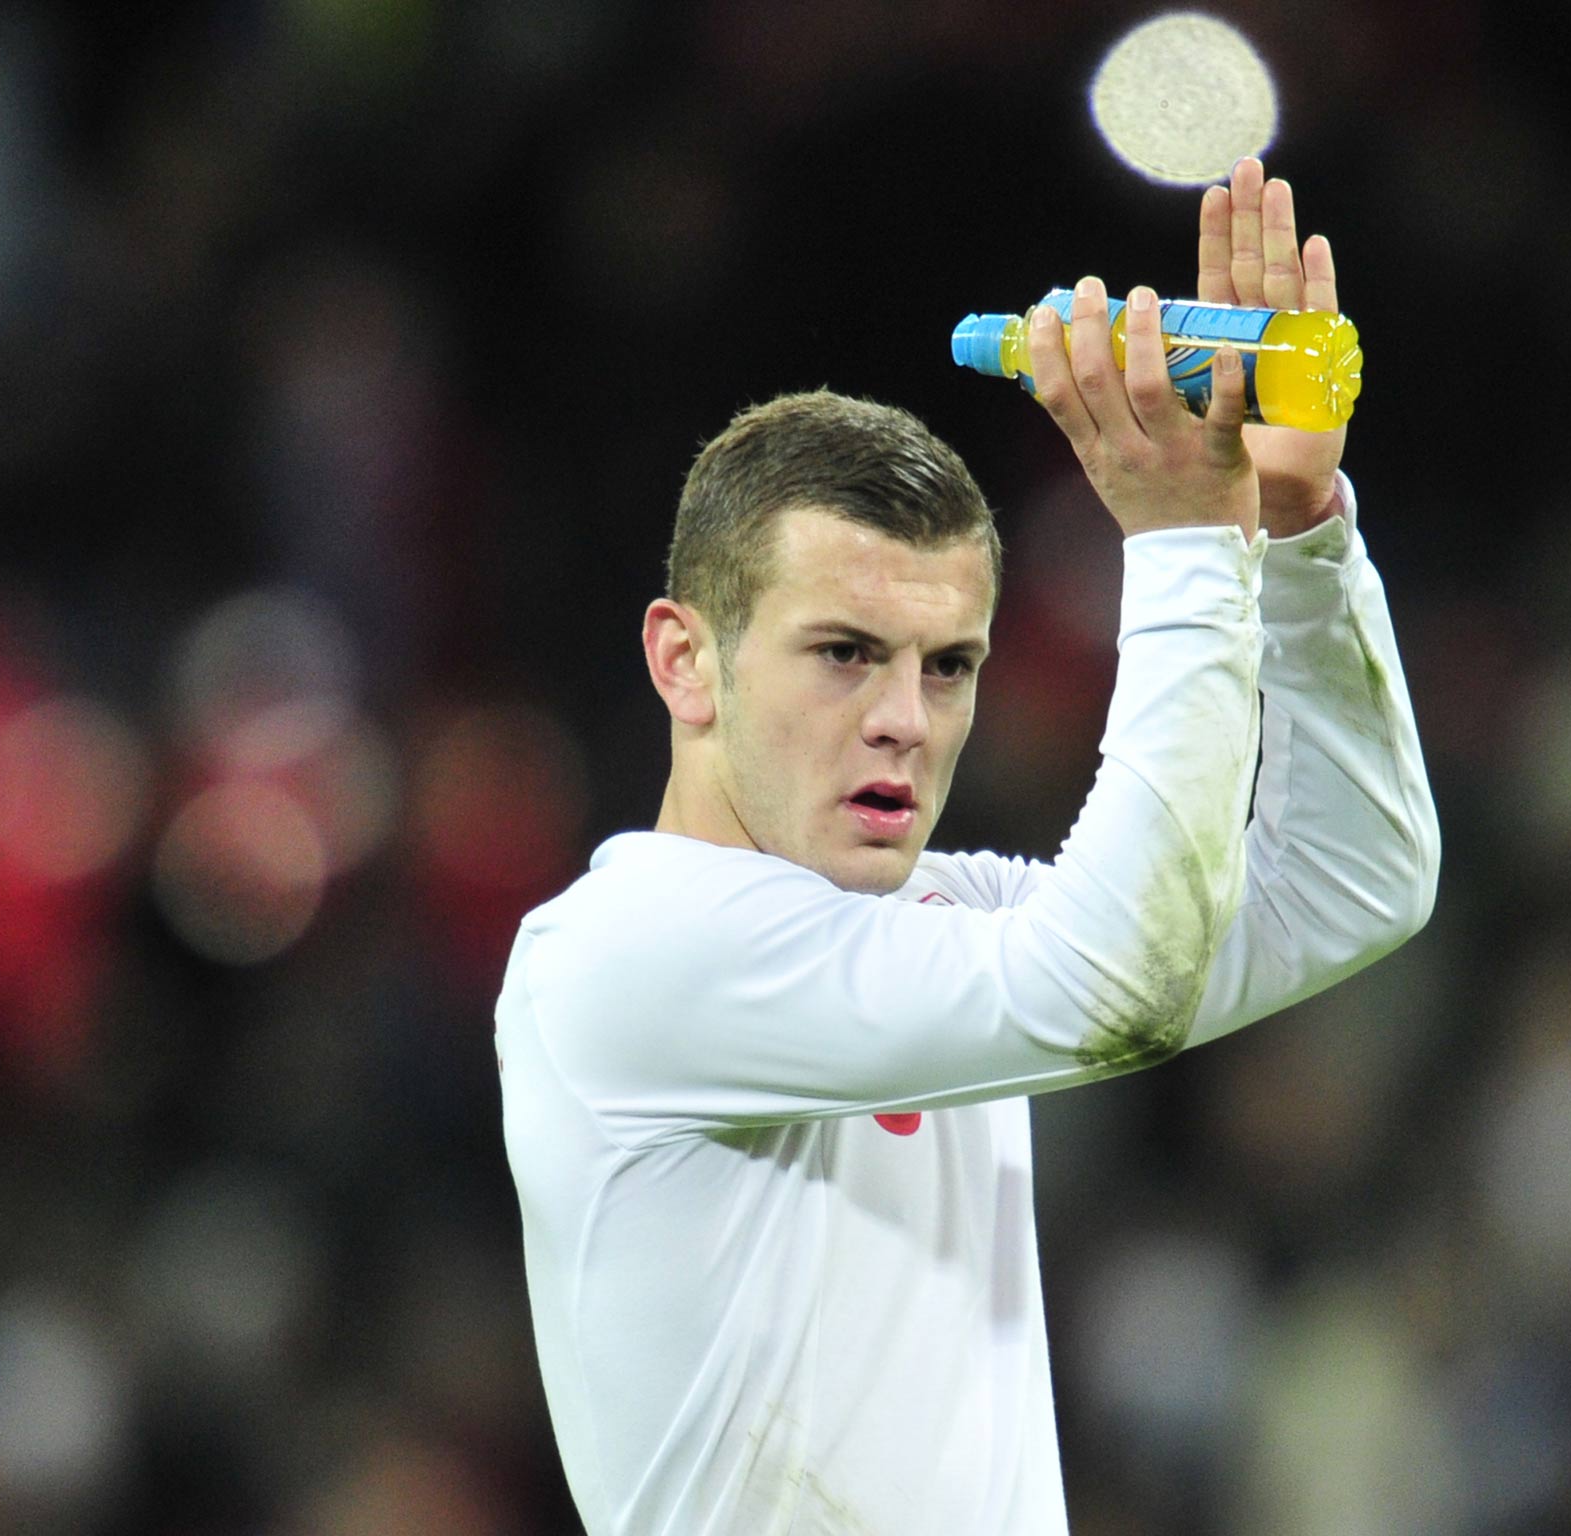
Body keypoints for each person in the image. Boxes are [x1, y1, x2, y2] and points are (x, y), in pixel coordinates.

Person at [495, 156, 1438, 1535]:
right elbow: (1110, 975)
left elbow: (1354, 882)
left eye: (948, 667)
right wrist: (1184, 547)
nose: (902, 720)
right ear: (683, 662)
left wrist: (1293, 537)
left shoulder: (937, 922)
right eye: (844, 654)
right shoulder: (627, 958)